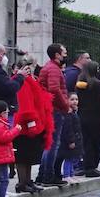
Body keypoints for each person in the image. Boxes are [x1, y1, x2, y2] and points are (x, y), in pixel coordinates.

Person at [12, 63, 52, 195]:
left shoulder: (31, 81)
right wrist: (31, 122)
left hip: (32, 123)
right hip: (25, 126)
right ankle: (22, 182)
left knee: (29, 155)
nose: (29, 69)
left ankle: (27, 180)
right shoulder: (22, 83)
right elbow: (25, 104)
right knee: (23, 156)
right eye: (27, 67)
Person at [36, 43, 70, 186]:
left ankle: (43, 175)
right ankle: (48, 176)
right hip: (55, 110)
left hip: (51, 108)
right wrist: (65, 105)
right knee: (52, 144)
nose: (66, 55)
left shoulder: (49, 67)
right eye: (64, 52)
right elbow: (55, 90)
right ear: (57, 55)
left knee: (50, 143)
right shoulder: (54, 69)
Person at [74, 60, 100, 177]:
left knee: (86, 142)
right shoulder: (97, 84)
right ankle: (92, 167)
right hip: (96, 117)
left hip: (83, 116)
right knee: (96, 143)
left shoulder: (80, 83)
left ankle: (86, 165)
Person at [59, 93, 83, 178]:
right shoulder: (68, 113)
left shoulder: (74, 112)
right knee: (68, 158)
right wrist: (71, 140)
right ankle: (67, 175)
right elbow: (69, 128)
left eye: (76, 99)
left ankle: (71, 174)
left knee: (72, 158)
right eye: (72, 99)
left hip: (76, 139)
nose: (75, 101)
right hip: (70, 140)